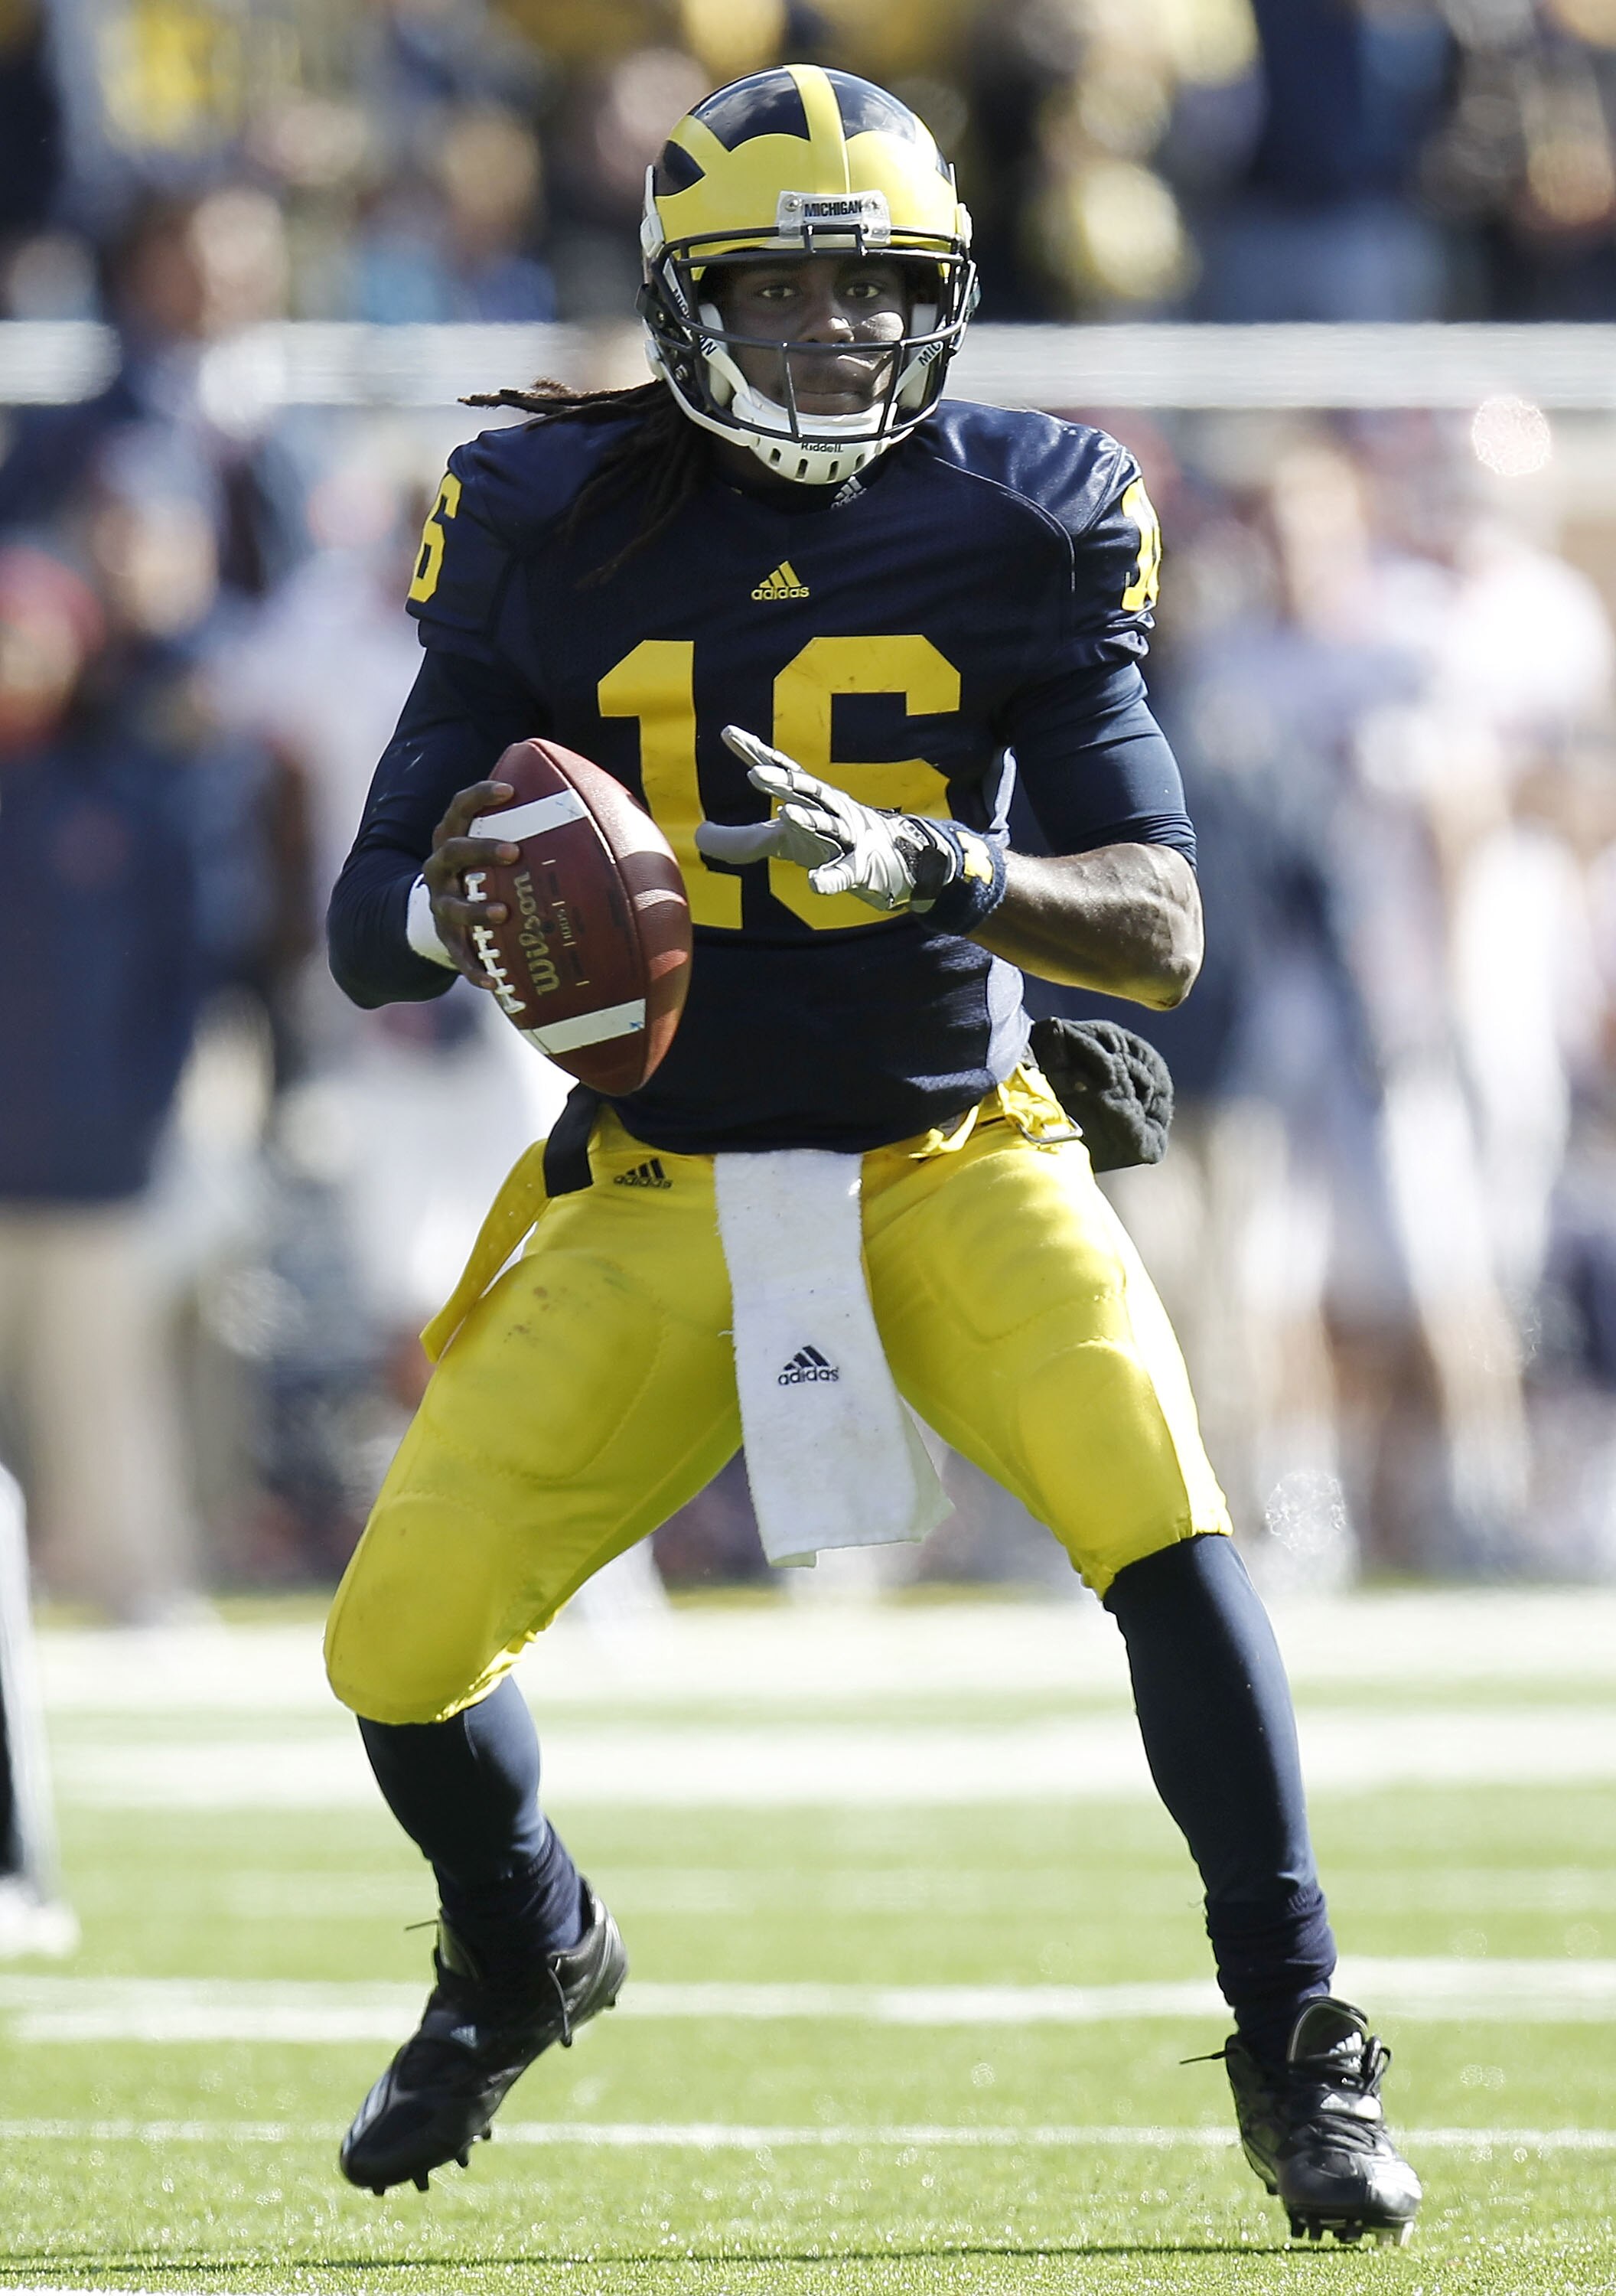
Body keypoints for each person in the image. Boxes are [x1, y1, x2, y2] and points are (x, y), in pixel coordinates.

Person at [323, 64, 1422, 2246]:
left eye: (874, 292)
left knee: (1168, 1529)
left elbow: (1165, 919)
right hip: (656, 1177)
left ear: (949, 299)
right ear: (679, 303)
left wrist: (944, 871)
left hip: (950, 1151)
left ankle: (1302, 2037)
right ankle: (527, 1936)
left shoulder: (1028, 510)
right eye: (784, 292)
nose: (833, 337)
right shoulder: (545, 513)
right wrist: (478, 906)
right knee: (395, 1650)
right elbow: (370, 917)